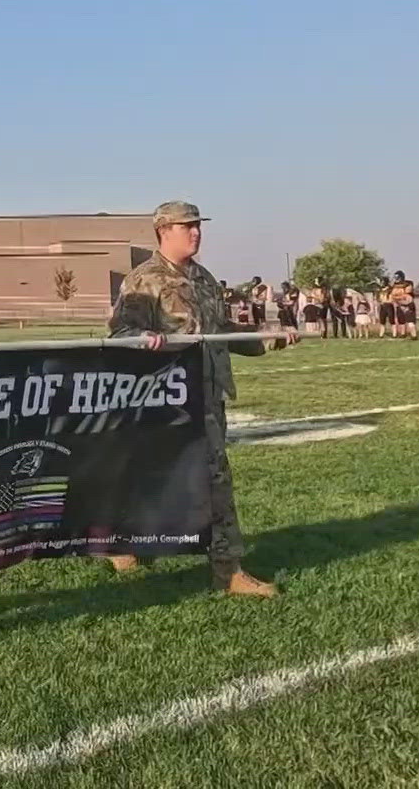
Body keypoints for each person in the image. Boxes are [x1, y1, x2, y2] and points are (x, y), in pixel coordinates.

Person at [108, 200, 292, 598]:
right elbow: (120, 333)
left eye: (197, 226)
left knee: (215, 480)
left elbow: (220, 329)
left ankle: (228, 570)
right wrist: (143, 342)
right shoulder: (143, 280)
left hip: (206, 398)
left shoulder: (204, 278)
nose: (196, 232)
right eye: (186, 226)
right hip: (161, 400)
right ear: (163, 231)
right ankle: (121, 541)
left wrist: (265, 336)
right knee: (145, 477)